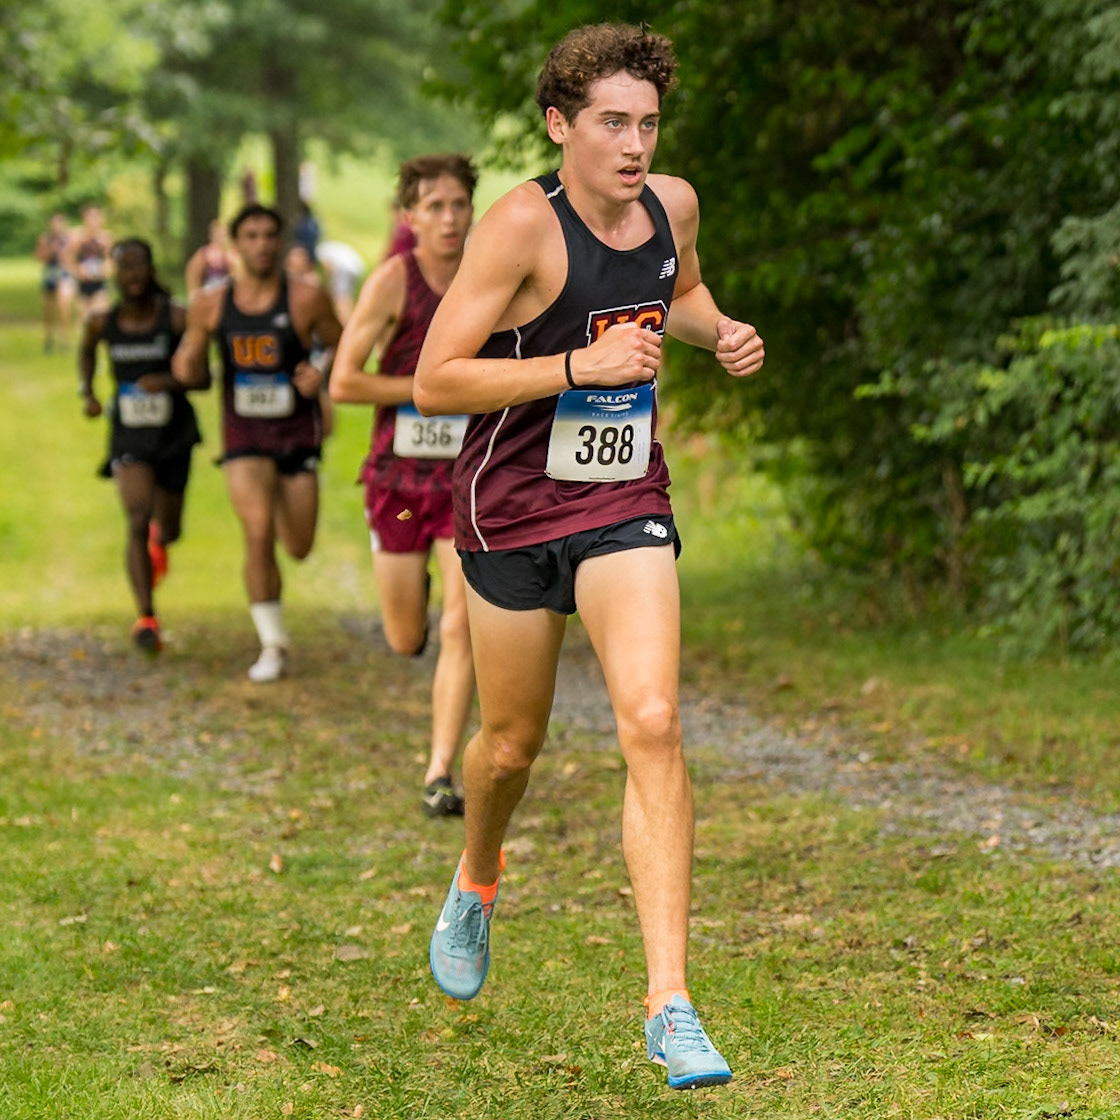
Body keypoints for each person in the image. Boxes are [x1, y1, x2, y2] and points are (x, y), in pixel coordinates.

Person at [415, 23, 764, 1090]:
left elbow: (677, 292)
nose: (635, 145)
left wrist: (718, 330)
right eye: (613, 123)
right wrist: (580, 364)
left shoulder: (673, 205)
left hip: (621, 498)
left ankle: (669, 1004)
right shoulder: (521, 226)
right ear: (559, 125)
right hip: (511, 508)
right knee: (509, 746)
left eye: (648, 123)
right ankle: (478, 875)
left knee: (652, 720)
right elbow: (436, 379)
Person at [330, 155, 478, 817]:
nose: (449, 218)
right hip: (399, 483)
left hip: (464, 478)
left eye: (459, 204)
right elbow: (343, 381)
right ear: (410, 216)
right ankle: (409, 595)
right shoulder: (393, 282)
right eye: (434, 207)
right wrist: (425, 391)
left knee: (461, 626)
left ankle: (439, 770)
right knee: (404, 637)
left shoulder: (487, 277)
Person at [172, 203, 343, 682]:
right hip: (243, 435)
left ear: (281, 242)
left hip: (295, 433)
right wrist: (187, 365)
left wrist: (320, 371)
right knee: (257, 531)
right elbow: (192, 368)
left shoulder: (306, 297)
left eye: (270, 235)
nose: (261, 244)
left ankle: (282, 528)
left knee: (299, 545)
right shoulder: (211, 303)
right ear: (234, 245)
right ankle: (272, 643)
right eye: (251, 236)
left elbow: (343, 342)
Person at [78, 239, 203, 652]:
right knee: (135, 517)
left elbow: (203, 377)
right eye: (124, 266)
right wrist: (88, 392)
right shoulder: (102, 322)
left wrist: (167, 382)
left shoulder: (177, 318)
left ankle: (158, 542)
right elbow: (86, 352)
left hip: (174, 434)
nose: (133, 274)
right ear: (114, 274)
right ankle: (146, 617)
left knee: (170, 529)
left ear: (151, 269)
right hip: (129, 433)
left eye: (139, 265)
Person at [35, 212, 75, 351]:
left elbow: (74, 257)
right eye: (54, 223)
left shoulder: (70, 239)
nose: (57, 226)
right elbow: (38, 257)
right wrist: (50, 251)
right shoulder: (45, 239)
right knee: (48, 310)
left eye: (60, 223)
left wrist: (67, 258)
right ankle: (49, 338)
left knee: (63, 306)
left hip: (64, 274)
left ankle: (64, 339)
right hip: (50, 274)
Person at [67, 204, 114, 319]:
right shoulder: (76, 236)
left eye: (96, 217)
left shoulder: (106, 237)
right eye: (90, 217)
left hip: (99, 280)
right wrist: (77, 271)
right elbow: (68, 258)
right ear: (84, 218)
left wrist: (106, 269)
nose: (93, 221)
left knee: (101, 312)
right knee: (85, 316)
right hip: (82, 281)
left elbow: (110, 258)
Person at [315, 240, 365, 324]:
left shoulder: (318, 251)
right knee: (346, 297)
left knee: (341, 299)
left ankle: (345, 323)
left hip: (344, 268)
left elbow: (328, 266)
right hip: (356, 268)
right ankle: (350, 321)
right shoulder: (327, 247)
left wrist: (329, 284)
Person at [185, 219, 235, 297]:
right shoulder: (204, 253)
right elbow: (193, 274)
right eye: (218, 233)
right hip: (208, 291)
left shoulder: (228, 254)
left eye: (223, 234)